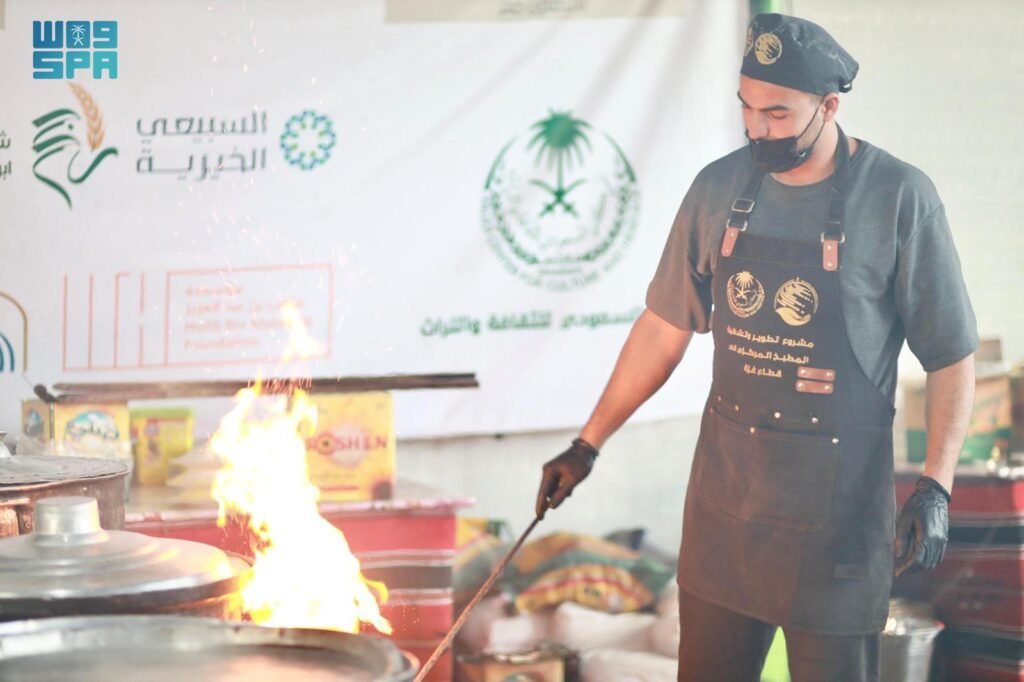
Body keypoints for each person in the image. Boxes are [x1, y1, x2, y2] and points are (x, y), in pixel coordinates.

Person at [535, 13, 977, 682]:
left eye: (777, 113)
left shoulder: (898, 197)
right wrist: (587, 444)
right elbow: (663, 327)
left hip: (836, 524)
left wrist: (936, 486)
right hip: (727, 514)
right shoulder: (717, 189)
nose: (757, 129)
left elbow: (950, 356)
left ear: (829, 107)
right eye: (746, 108)